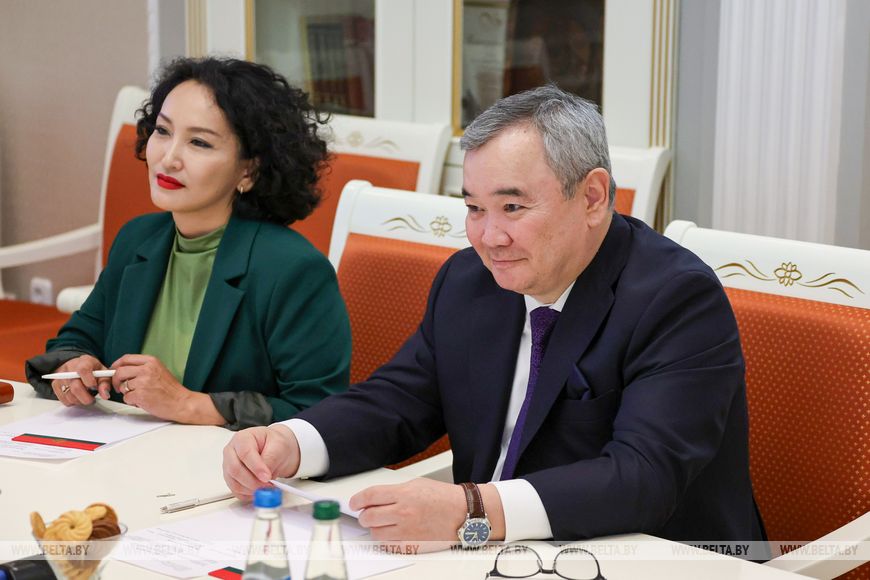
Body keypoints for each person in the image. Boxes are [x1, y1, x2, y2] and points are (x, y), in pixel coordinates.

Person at [223, 85, 766, 547]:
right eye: (474, 208)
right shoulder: (470, 280)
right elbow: (400, 399)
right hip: (492, 555)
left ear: (593, 196)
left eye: (512, 208)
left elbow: (643, 478)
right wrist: (292, 442)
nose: (489, 237)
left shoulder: (676, 299)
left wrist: (470, 511)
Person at [25, 57, 351, 430]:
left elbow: (321, 413)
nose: (168, 158)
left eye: (199, 142)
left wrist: (189, 404)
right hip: (123, 450)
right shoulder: (138, 238)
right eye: (162, 131)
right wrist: (75, 364)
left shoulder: (293, 269)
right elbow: (80, 336)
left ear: (249, 170)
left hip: (227, 462)